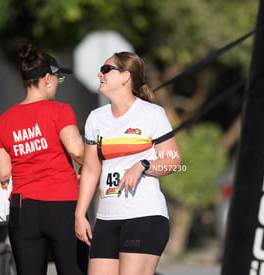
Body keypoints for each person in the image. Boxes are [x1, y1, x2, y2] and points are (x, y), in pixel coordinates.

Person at [74, 52, 182, 275]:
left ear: (125, 77)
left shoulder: (152, 114)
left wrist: (143, 164)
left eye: (106, 70)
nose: (99, 74)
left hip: (144, 216)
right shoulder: (96, 118)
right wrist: (80, 213)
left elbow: (173, 161)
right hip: (106, 219)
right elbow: (92, 170)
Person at [0, 42, 88, 275]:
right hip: (61, 205)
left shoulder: (3, 120)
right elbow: (76, 150)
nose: (58, 84)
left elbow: (3, 173)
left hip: (24, 211)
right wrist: (93, 163)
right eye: (58, 79)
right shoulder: (59, 111)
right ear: (47, 78)